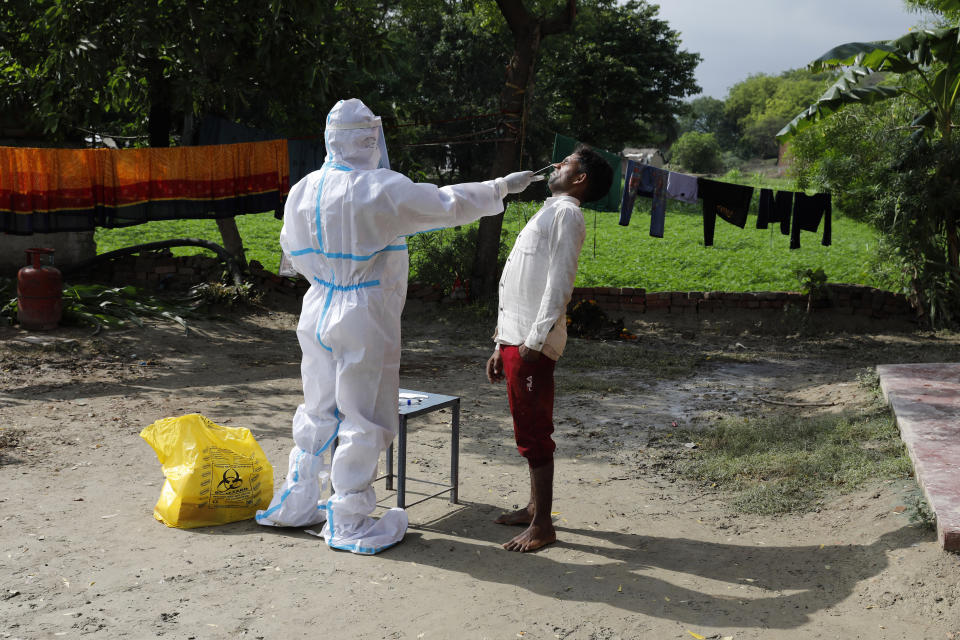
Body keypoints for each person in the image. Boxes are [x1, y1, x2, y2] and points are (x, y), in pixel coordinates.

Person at [257, 98, 535, 554]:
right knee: (364, 414)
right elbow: (446, 203)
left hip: (317, 305)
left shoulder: (304, 189)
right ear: (368, 138)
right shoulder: (379, 188)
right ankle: (347, 518)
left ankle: (298, 500)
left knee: (318, 406)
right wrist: (500, 187)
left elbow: (290, 247)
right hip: (364, 311)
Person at [485, 145, 614, 552]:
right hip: (516, 336)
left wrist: (534, 342)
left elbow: (560, 283)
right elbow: (521, 282)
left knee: (534, 432)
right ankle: (533, 507)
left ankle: (543, 525)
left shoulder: (567, 214)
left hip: (531, 343)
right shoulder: (552, 208)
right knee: (526, 425)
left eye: (567, 163)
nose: (556, 165)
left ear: (580, 179)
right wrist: (499, 341)